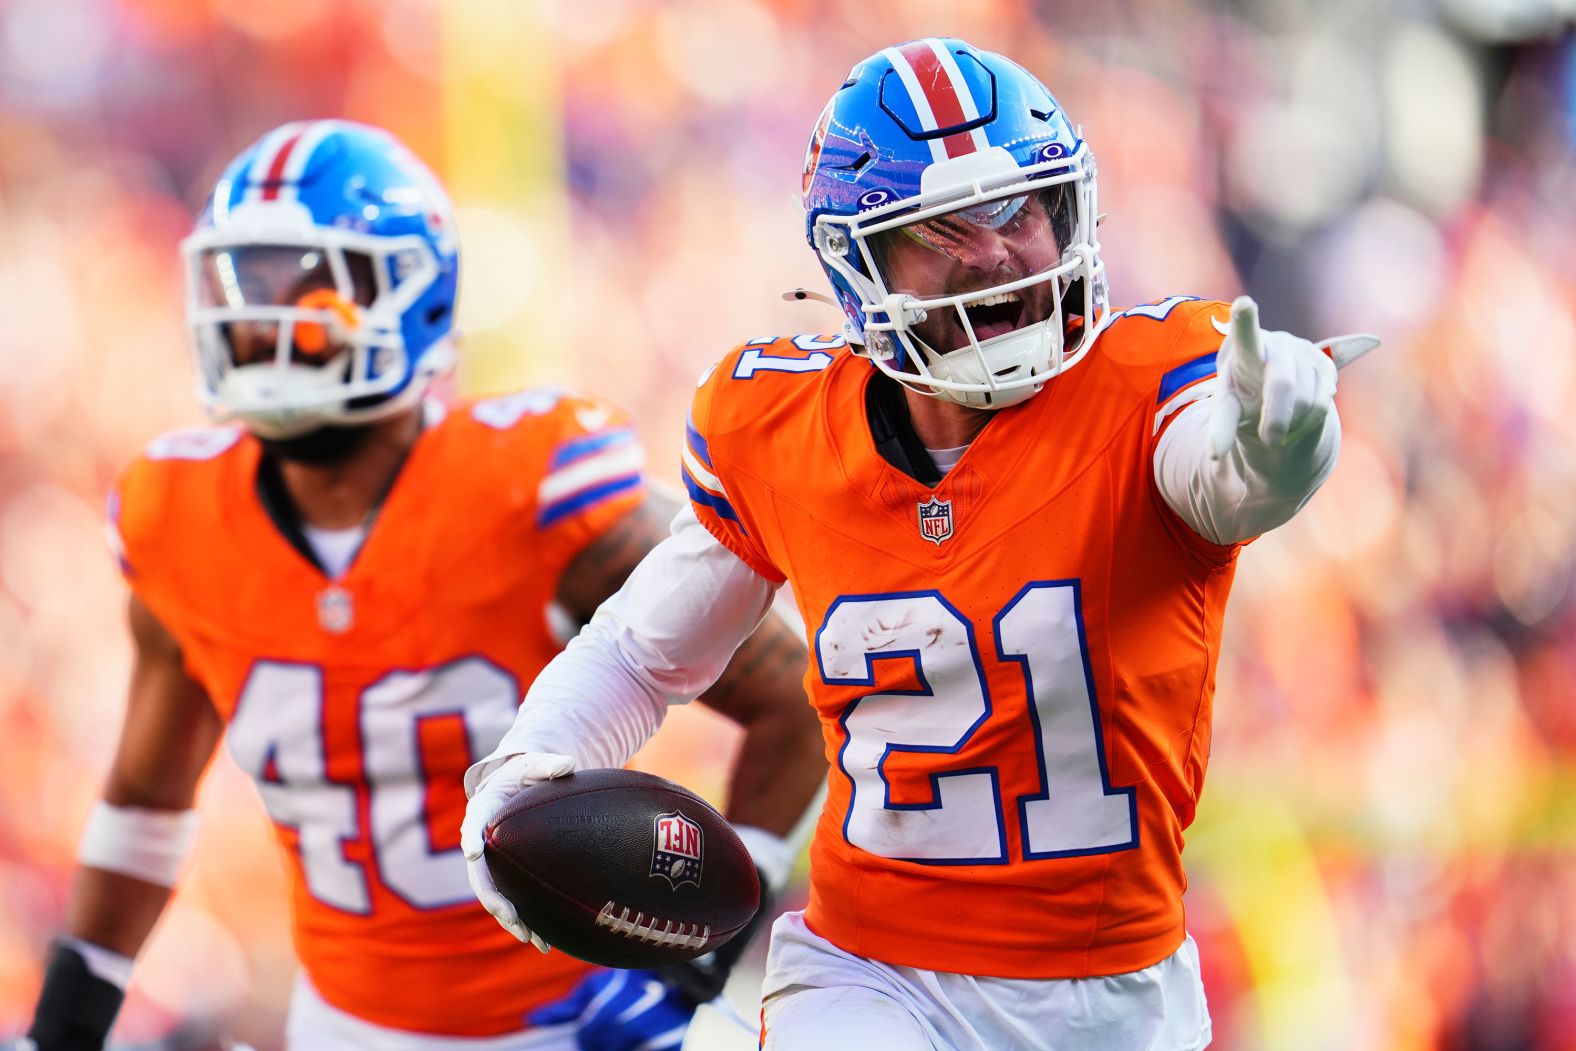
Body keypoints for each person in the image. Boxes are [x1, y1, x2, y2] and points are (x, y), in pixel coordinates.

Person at [461, 38, 1380, 1051]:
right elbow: (642, 650)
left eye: (1019, 211)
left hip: (1114, 988)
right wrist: (528, 763)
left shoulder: (1150, 389)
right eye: (941, 231)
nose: (993, 254)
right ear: (858, 266)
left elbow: (1229, 481)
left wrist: (1286, 441)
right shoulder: (783, 430)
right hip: (871, 973)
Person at [21, 120, 825, 1051]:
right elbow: (143, 804)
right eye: (241, 284)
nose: (263, 320)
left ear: (414, 294)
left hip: (570, 1026)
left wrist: (694, 952)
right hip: (343, 1028)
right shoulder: (176, 512)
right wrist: (65, 1026)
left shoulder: (528, 488)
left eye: (311, 286)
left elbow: (792, 699)